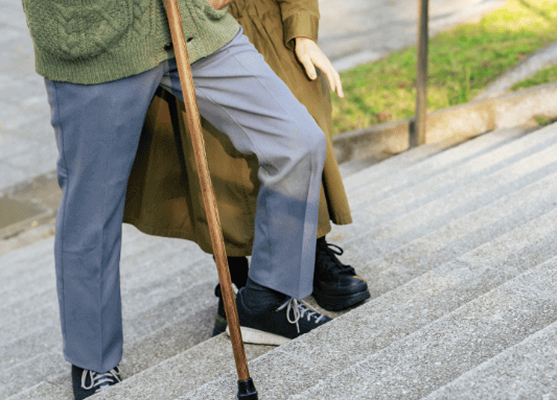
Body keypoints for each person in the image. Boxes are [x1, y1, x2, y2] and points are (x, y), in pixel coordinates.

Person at [21, 0, 337, 398]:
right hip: (96, 44)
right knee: (92, 209)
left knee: (298, 141)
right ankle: (92, 360)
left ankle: (267, 299)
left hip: (192, 24)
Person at [121, 0, 370, 337]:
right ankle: (235, 278)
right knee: (211, 154)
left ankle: (314, 249)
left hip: (265, 20)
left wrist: (302, 30)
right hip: (192, 31)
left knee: (298, 131)